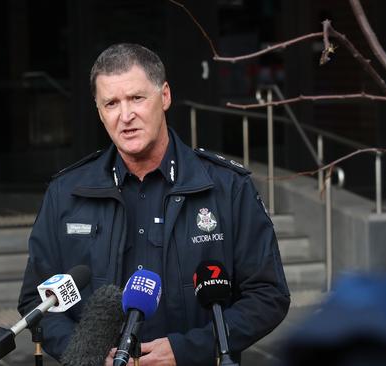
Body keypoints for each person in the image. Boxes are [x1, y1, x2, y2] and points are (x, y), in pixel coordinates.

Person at [18, 43, 290, 365]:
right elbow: (38, 300)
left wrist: (190, 349)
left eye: (136, 98)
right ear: (99, 111)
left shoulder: (228, 187)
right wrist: (86, 355)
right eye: (111, 103)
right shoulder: (66, 193)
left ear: (164, 97)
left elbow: (267, 294)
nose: (125, 116)